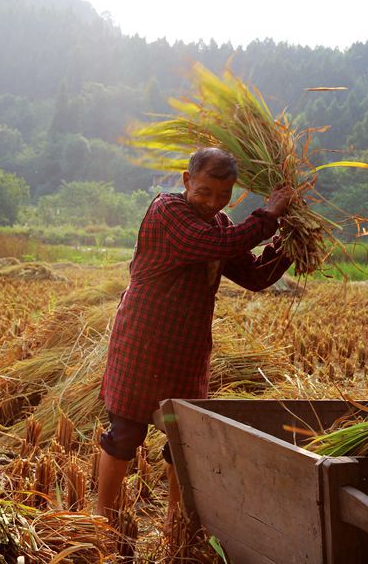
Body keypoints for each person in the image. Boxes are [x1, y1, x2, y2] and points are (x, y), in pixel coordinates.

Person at [96, 147, 294, 530]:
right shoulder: (167, 211)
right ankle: (103, 521)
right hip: (142, 341)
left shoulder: (220, 227)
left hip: (187, 349)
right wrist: (268, 215)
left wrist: (289, 243)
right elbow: (212, 246)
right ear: (187, 181)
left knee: (183, 439)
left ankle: (176, 524)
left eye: (223, 196)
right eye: (204, 191)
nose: (212, 203)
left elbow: (254, 277)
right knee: (125, 433)